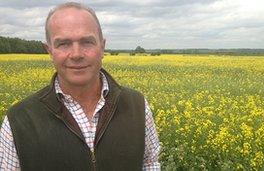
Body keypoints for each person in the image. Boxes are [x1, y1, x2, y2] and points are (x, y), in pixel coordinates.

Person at [0, 2, 160, 171]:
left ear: (102, 47)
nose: (76, 54)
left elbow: (150, 163)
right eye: (64, 44)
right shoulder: (19, 121)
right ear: (49, 51)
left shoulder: (137, 106)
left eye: (87, 42)